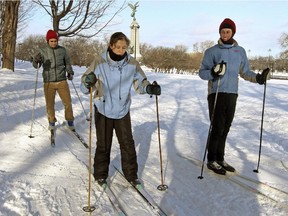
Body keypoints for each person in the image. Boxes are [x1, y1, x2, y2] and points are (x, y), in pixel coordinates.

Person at [81, 32, 161, 186]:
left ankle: (131, 175)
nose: (121, 50)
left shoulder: (132, 64)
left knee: (127, 144)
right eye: (118, 47)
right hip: (103, 108)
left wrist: (149, 88)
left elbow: (140, 83)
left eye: (124, 47)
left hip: (122, 109)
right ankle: (100, 174)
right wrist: (88, 82)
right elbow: (85, 84)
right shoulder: (99, 61)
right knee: (104, 144)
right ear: (111, 46)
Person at [199, 18, 270, 175]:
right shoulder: (211, 52)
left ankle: (220, 158)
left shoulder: (240, 51)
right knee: (217, 127)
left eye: (228, 31)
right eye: (223, 32)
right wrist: (212, 72)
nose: (225, 34)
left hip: (232, 93)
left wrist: (258, 78)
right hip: (216, 93)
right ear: (219, 33)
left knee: (226, 127)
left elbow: (245, 72)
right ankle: (212, 159)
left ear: (233, 33)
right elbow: (202, 72)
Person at [32, 29, 75, 130]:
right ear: (48, 41)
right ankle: (51, 122)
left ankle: (70, 121)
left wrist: (70, 72)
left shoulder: (62, 50)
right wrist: (36, 60)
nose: (53, 43)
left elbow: (67, 62)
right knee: (50, 104)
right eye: (51, 41)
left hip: (61, 80)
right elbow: (36, 66)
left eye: (55, 41)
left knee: (67, 102)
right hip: (48, 82)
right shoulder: (42, 51)